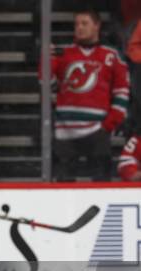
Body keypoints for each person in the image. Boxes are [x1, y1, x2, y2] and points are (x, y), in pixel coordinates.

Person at [47, 9, 130, 181]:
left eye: (85, 23)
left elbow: (122, 90)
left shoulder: (111, 55)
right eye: (76, 24)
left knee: (101, 181)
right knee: (63, 184)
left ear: (97, 26)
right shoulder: (64, 53)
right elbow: (49, 84)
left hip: (97, 129)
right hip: (65, 131)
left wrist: (109, 123)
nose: (79, 28)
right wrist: (47, 61)